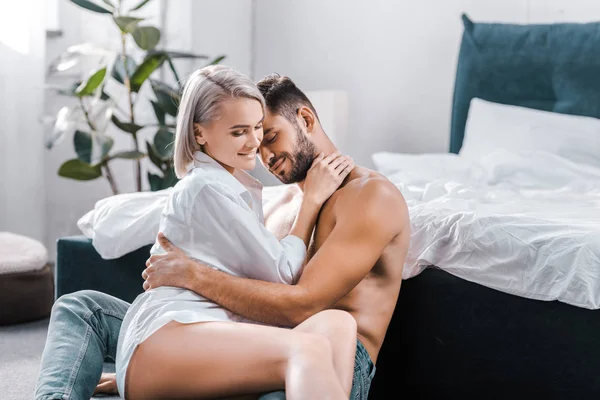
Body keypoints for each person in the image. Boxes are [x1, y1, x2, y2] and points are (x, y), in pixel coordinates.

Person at [35, 72, 410, 400]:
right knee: (83, 308)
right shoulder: (272, 199)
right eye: (250, 137)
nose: (262, 154)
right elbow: (245, 295)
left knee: (311, 349)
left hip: (334, 353)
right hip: (242, 334)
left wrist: (191, 273)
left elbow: (300, 305)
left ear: (306, 119)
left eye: (269, 135)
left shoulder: (369, 196)